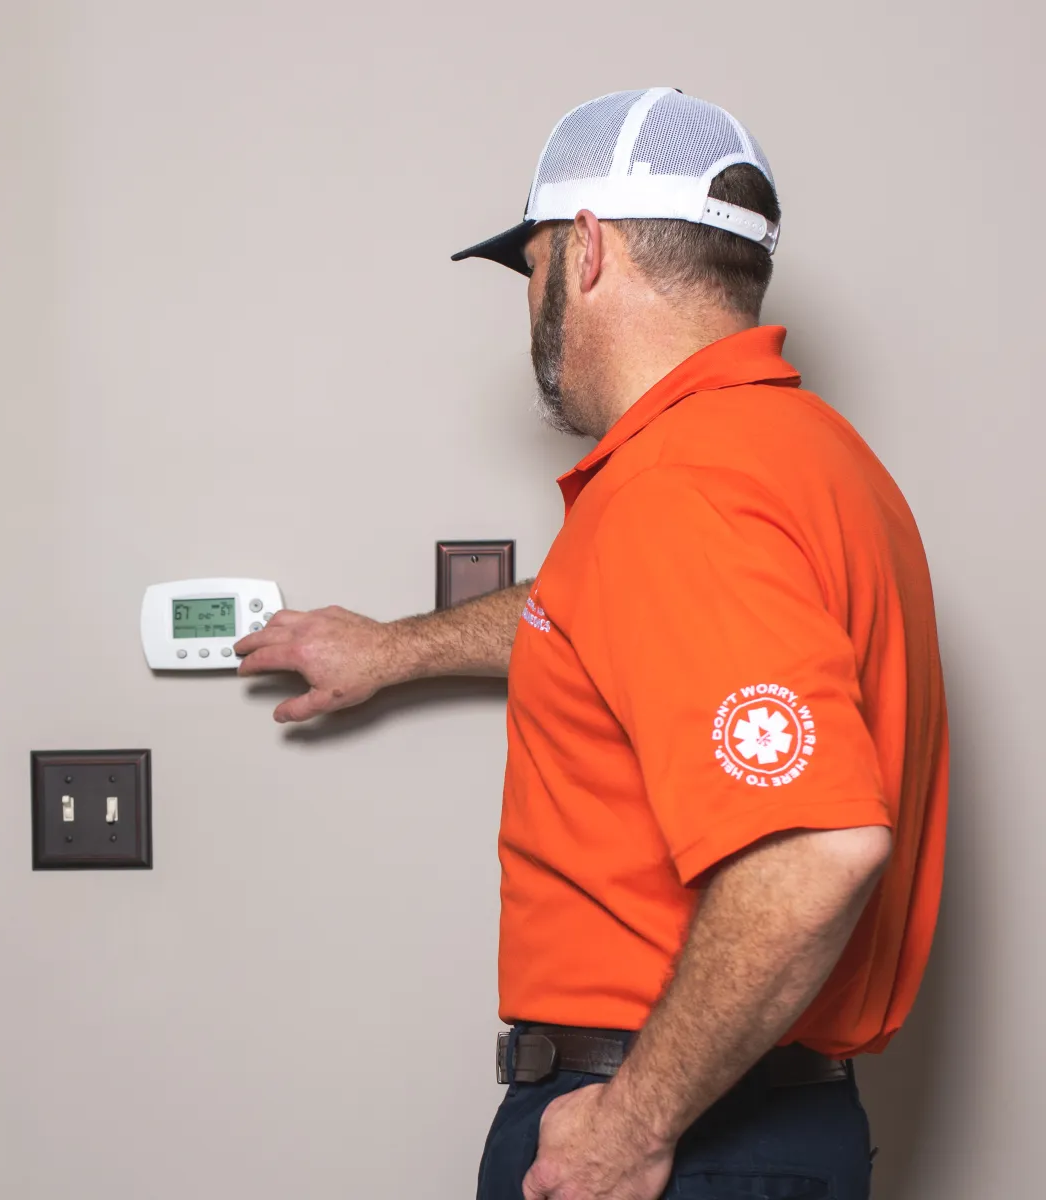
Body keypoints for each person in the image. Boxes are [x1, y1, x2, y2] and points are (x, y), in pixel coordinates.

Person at [235, 88, 945, 1200]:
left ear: (587, 248)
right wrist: (396, 649)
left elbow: (816, 846)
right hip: (775, 1122)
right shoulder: (814, 462)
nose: (530, 307)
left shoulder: (681, 490)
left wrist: (632, 1125)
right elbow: (611, 629)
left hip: (680, 1138)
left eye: (531, 271)